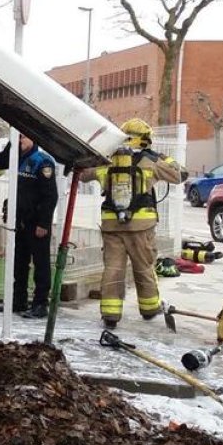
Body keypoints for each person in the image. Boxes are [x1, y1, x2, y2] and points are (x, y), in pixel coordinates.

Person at [78, 118, 184, 329]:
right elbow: (180, 174)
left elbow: (82, 175)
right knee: (143, 266)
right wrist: (164, 157)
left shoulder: (108, 161)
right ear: (145, 140)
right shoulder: (150, 162)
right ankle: (149, 308)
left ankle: (110, 314)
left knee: (113, 268)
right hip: (141, 226)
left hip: (111, 226)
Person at [0, 133, 58, 318]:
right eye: (17, 138)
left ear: (34, 139)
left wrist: (43, 223)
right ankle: (18, 301)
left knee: (40, 264)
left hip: (37, 223)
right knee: (19, 263)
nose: (20, 141)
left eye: (23, 138)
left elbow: (51, 196)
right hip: (19, 221)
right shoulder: (15, 157)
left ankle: (40, 304)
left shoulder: (42, 161)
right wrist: (11, 146)